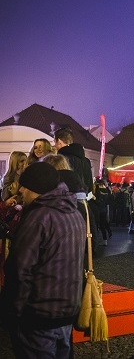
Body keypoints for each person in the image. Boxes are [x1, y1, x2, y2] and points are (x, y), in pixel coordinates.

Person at [0, 162, 86, 358]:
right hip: (66, 310)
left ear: (36, 189)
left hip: (38, 313)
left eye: (25, 186)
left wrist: (11, 312)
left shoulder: (39, 217)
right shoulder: (74, 213)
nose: (20, 190)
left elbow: (20, 270)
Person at [54, 128, 93, 193]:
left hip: (67, 199)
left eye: (55, 142)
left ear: (59, 141)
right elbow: (90, 186)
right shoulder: (86, 161)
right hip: (83, 200)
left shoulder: (62, 159)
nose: (54, 145)